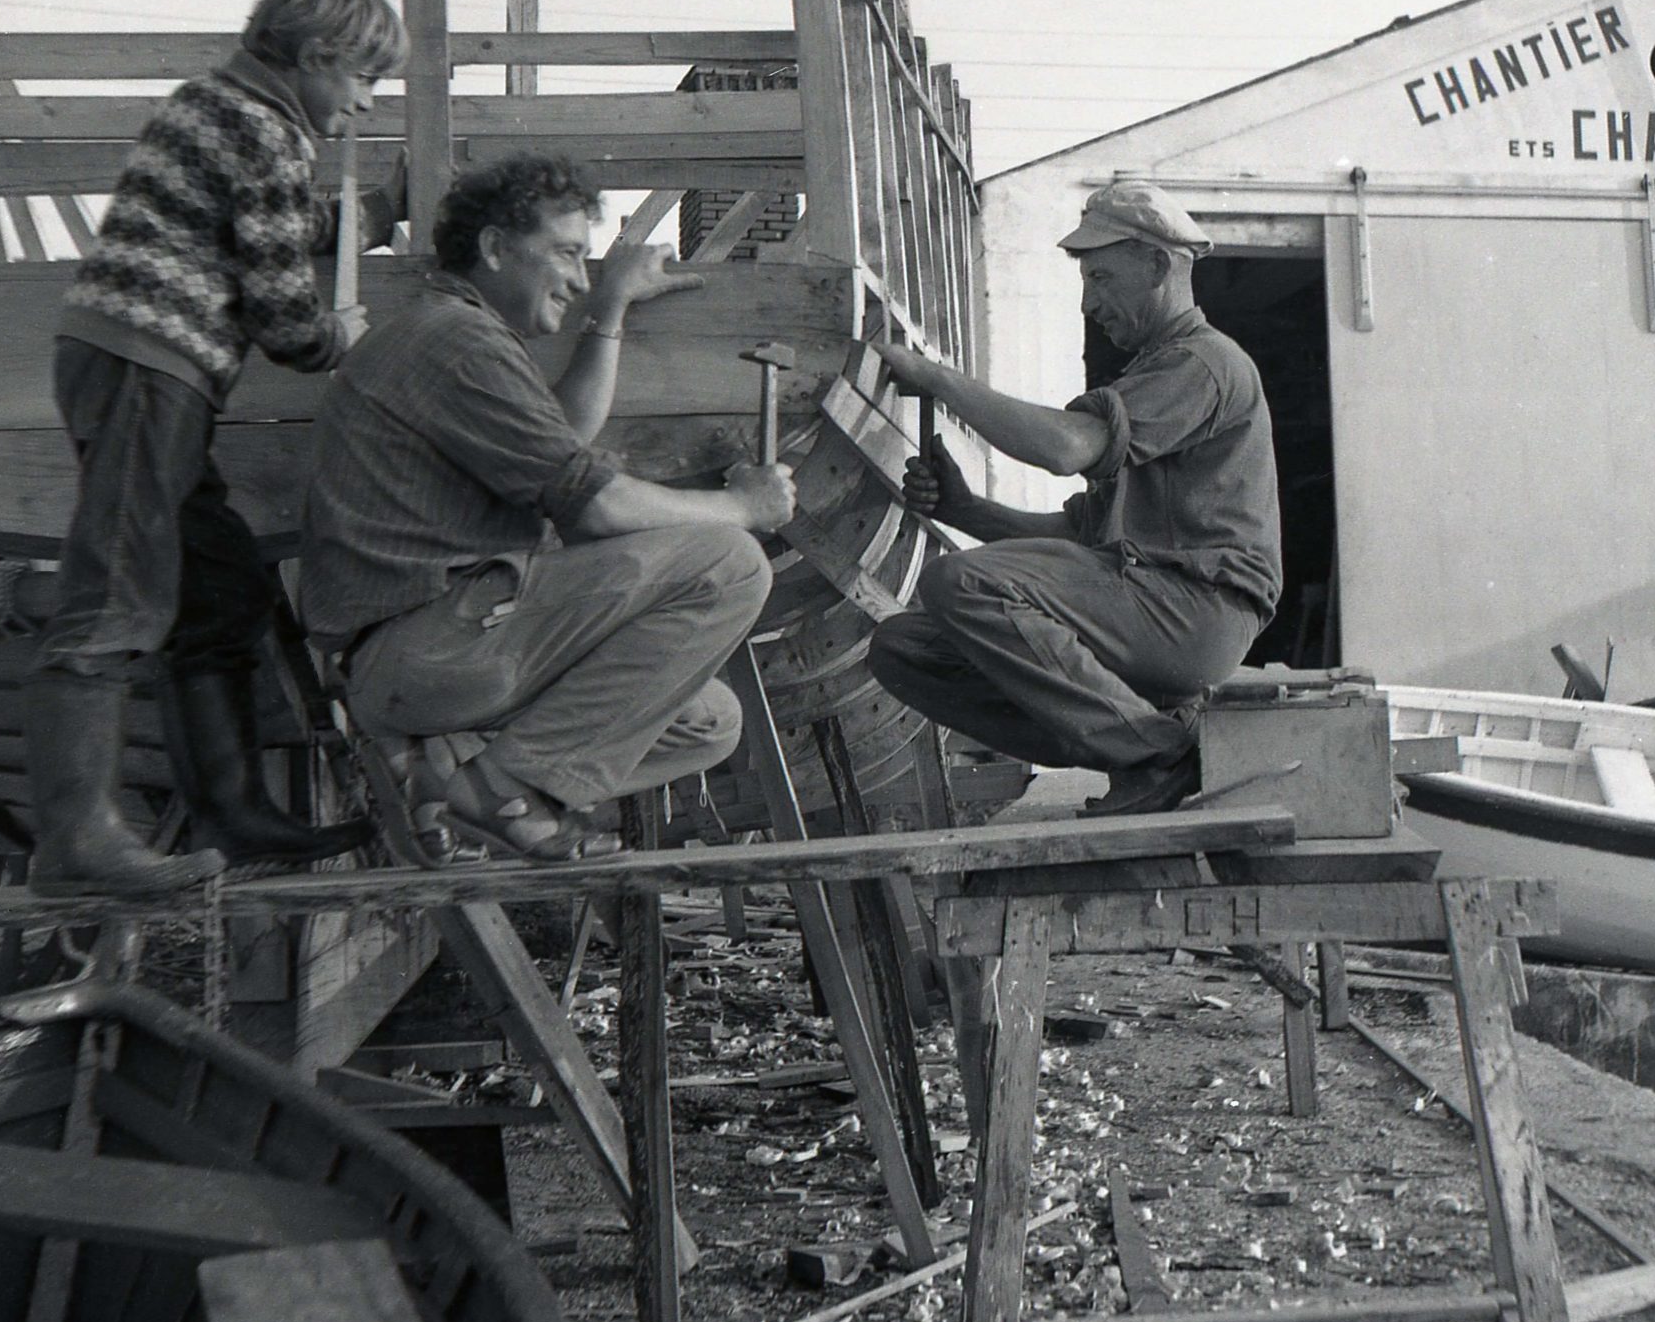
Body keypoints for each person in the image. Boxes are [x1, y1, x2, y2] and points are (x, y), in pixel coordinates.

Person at [25, 0, 407, 896]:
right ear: (320, 58)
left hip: (130, 362)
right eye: (364, 82)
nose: (365, 104)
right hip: (152, 365)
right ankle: (74, 841)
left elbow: (263, 224)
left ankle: (232, 817)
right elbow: (282, 313)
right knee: (117, 588)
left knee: (216, 586)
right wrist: (336, 340)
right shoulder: (268, 132)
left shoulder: (213, 107)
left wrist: (366, 220)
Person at [296, 153, 794, 859]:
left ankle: (450, 780)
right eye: (565, 253)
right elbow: (593, 508)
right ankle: (504, 792)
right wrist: (742, 506)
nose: (578, 277)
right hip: (424, 649)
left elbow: (563, 440)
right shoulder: (457, 343)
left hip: (430, 657)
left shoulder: (458, 337)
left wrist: (610, 311)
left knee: (710, 722)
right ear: (496, 247)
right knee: (733, 565)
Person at [868, 181, 1282, 818]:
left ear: (1158, 265)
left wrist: (938, 379)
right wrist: (964, 509)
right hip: (1154, 607)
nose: (1090, 302)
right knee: (905, 649)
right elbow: (1079, 538)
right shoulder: (1155, 370)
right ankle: (1146, 743)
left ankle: (1157, 756)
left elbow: (1067, 448)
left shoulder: (1201, 364)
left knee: (960, 582)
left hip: (1196, 613)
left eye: (1101, 278)